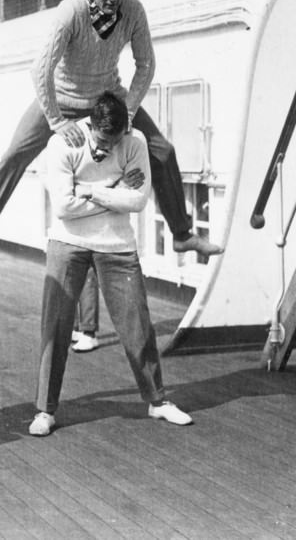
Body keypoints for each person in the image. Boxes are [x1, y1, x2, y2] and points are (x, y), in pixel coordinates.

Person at [0, 0, 222, 273]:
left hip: (108, 96)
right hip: (63, 97)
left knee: (162, 151)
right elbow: (40, 70)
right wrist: (54, 120)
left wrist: (128, 109)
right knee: (15, 155)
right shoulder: (71, 11)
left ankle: (182, 234)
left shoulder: (134, 12)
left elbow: (146, 64)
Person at [29, 92, 192, 436]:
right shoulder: (63, 143)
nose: (107, 149)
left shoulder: (134, 141)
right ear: (90, 126)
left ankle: (158, 402)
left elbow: (138, 200)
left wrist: (88, 191)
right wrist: (114, 187)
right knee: (55, 327)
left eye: (114, 142)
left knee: (138, 325)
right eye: (102, 141)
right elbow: (62, 208)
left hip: (117, 245)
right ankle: (45, 410)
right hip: (68, 242)